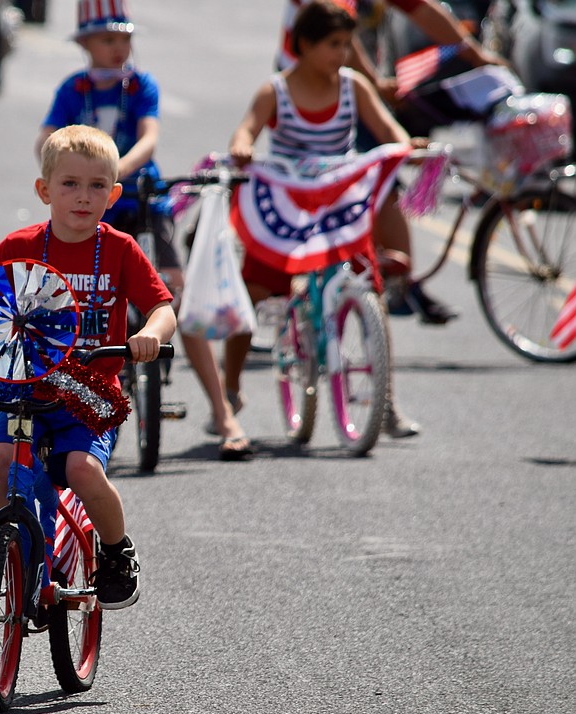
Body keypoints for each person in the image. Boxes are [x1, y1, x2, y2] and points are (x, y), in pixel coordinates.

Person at [0, 125, 176, 609]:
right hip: (27, 386)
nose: (83, 197)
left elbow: (163, 308)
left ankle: (117, 552)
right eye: (70, 184)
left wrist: (148, 336)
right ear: (44, 190)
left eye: (98, 186)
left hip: (90, 395)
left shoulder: (119, 249)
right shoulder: (23, 244)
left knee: (80, 467)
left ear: (114, 194)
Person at [35, 0, 254, 460]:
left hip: (141, 199)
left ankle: (224, 413)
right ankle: (73, 407)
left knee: (173, 295)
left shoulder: (141, 86)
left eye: (125, 38)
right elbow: (46, 137)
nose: (119, 48)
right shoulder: (73, 89)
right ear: (86, 45)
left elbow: (150, 137)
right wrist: (72, 175)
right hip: (96, 205)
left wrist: (112, 175)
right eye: (107, 39)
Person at [226, 0, 422, 436]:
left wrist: (407, 147)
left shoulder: (353, 87)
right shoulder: (275, 90)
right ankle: (230, 388)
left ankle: (385, 403)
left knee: (369, 290)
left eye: (346, 44)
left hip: (339, 209)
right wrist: (242, 147)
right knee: (253, 292)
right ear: (305, 45)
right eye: (333, 44)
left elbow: (391, 133)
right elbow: (247, 130)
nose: (343, 54)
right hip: (287, 210)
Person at [279, 0, 505, 325]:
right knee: (344, 180)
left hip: (358, 85)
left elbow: (425, 11)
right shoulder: (332, 39)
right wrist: (372, 80)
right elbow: (337, 33)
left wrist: (474, 54)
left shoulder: (356, 82)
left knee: (383, 177)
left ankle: (400, 283)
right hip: (312, 86)